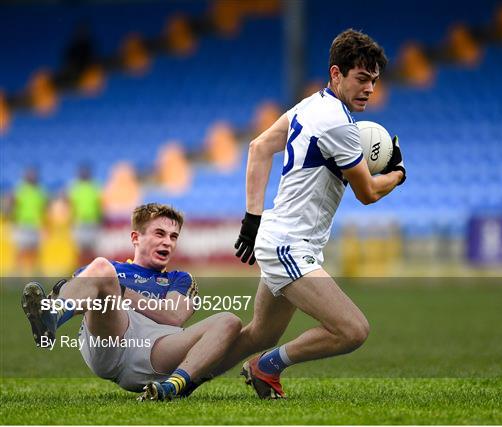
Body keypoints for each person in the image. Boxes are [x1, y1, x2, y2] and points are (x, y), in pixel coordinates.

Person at [222, 29, 406, 399]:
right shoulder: (338, 122)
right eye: (361, 78)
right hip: (291, 246)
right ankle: (267, 365)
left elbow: (258, 147)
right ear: (336, 74)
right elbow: (368, 193)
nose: (369, 88)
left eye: (374, 80)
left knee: (259, 333)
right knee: (352, 330)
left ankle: (181, 377)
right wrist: (398, 175)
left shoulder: (311, 105)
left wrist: (252, 219)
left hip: (280, 237)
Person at [21, 203, 242, 401]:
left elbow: (174, 317)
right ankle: (51, 320)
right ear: (136, 238)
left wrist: (120, 290)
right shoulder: (109, 270)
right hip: (110, 341)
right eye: (160, 233)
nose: (168, 242)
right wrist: (69, 294)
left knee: (229, 320)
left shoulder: (180, 279)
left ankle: (172, 387)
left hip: (157, 350)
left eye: (174, 236)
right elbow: (79, 301)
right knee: (100, 267)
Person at [11, 167, 47, 275]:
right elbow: (14, 204)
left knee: (35, 251)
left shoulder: (40, 190)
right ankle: (17, 272)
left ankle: (36, 272)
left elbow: (43, 207)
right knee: (21, 250)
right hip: (23, 223)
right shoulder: (20, 189)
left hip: (36, 224)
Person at [68, 164, 102, 265]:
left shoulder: (95, 187)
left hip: (92, 221)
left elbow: (99, 204)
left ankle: (93, 269)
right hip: (79, 221)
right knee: (80, 249)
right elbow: (71, 205)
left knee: (92, 248)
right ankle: (80, 270)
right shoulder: (74, 187)